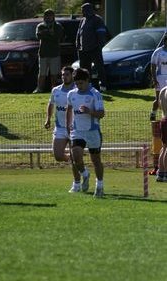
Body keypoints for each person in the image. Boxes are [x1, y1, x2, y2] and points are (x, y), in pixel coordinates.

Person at [66, 68, 105, 197]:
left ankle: (99, 185)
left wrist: (90, 112)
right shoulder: (71, 94)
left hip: (92, 131)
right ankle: (85, 174)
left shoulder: (95, 94)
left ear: (87, 81)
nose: (78, 86)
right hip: (77, 131)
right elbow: (69, 109)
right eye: (76, 83)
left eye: (81, 83)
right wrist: (68, 125)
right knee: (76, 156)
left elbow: (101, 114)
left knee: (96, 160)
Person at [44, 66, 81, 192]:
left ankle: (76, 184)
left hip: (73, 129)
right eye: (63, 75)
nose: (64, 77)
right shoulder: (56, 90)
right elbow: (50, 104)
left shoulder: (77, 91)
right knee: (58, 156)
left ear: (72, 76)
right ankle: (73, 160)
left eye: (67, 75)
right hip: (59, 128)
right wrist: (48, 119)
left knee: (73, 155)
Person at [76, 3, 110, 92]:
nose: (82, 12)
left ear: (89, 10)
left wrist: (99, 46)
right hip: (83, 49)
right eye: (82, 10)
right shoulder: (82, 20)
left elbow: (101, 33)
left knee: (99, 67)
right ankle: (87, 86)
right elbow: (79, 33)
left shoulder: (97, 19)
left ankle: (103, 86)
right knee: (84, 69)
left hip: (94, 48)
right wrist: (77, 44)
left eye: (84, 10)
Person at [148, 33, 167, 175]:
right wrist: (154, 79)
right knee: (158, 99)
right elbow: (153, 66)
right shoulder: (158, 52)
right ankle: (154, 114)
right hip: (160, 79)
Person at [34, 9, 64, 93]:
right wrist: (50, 34)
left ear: (53, 17)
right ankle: (39, 89)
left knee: (54, 74)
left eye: (50, 15)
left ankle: (54, 90)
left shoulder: (58, 26)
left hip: (54, 54)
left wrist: (47, 34)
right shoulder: (40, 26)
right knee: (42, 74)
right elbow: (39, 36)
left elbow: (58, 37)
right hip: (43, 54)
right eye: (46, 16)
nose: (48, 17)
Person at [155, 86, 167, 182]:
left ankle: (161, 173)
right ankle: (166, 174)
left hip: (163, 120)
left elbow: (159, 106)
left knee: (164, 148)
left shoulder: (163, 90)